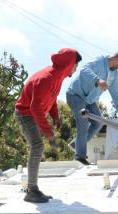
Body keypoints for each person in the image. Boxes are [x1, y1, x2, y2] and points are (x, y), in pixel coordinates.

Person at [15, 48, 82, 203]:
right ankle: (32, 191)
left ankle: (32, 189)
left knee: (37, 147)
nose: (76, 68)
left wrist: (56, 117)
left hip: (32, 113)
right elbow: (35, 108)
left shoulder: (57, 77)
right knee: (37, 146)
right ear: (69, 64)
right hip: (25, 113)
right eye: (75, 65)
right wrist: (49, 133)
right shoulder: (46, 78)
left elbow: (51, 99)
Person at [66, 51, 118, 165]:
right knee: (83, 123)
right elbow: (84, 70)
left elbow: (116, 92)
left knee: (98, 122)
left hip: (89, 100)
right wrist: (98, 80)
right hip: (75, 95)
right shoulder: (99, 61)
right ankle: (80, 156)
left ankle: (76, 144)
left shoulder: (114, 74)